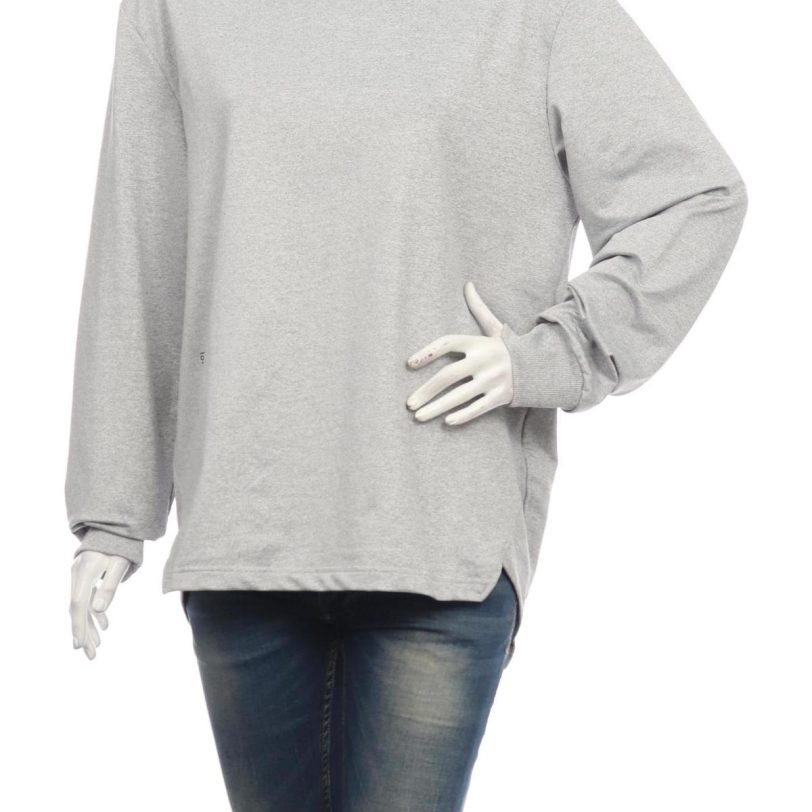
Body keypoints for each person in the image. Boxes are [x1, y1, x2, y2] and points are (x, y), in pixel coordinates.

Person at [65, 0, 747, 809]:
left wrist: (550, 353)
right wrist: (113, 511)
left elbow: (694, 196)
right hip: (247, 524)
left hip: (438, 529)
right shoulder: (174, 10)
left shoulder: (538, 13)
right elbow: (140, 239)